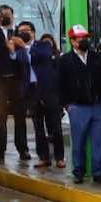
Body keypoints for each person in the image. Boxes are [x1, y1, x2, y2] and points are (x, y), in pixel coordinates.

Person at [59, 25, 101, 185]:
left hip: (98, 105)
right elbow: (59, 83)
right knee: (78, 141)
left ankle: (98, 173)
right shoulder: (65, 60)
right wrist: (67, 105)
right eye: (80, 38)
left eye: (85, 38)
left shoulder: (96, 57)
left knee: (98, 141)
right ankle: (78, 172)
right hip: (78, 107)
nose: (84, 41)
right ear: (72, 41)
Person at [0, 4, 30, 161]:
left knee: (20, 116)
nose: (5, 17)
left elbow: (26, 54)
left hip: (17, 80)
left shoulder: (19, 33)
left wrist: (18, 47)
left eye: (7, 15)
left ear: (12, 16)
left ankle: (23, 149)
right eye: (1, 15)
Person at [23, 24, 65, 169]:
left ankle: (59, 157)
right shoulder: (20, 50)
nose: (24, 34)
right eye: (21, 31)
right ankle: (43, 157)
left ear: (33, 32)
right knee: (38, 127)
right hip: (32, 93)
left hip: (49, 92)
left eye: (27, 31)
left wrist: (26, 46)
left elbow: (45, 54)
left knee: (55, 126)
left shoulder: (43, 47)